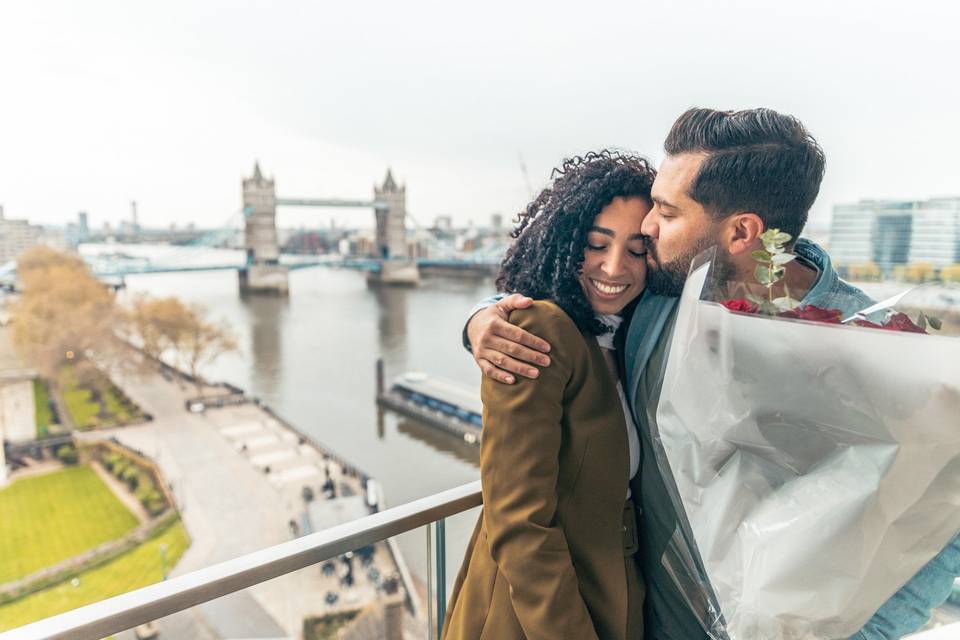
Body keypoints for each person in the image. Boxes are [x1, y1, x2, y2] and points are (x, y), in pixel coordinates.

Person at [464, 107, 960, 640]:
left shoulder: (873, 346)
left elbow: (939, 521)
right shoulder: (661, 295)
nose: (647, 228)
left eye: (666, 212)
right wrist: (484, 319)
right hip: (633, 620)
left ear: (742, 231)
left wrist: (865, 634)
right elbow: (571, 298)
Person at [442, 151, 656, 640]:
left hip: (612, 591)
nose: (614, 266)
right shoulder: (542, 330)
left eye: (638, 249)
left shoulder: (629, 337)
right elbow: (518, 522)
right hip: (538, 614)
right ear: (564, 242)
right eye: (596, 244)